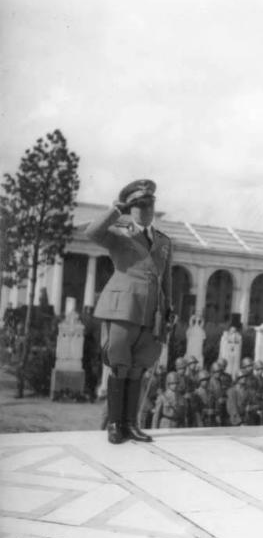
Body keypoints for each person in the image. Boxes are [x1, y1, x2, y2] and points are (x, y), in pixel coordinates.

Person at [86, 179, 172, 444]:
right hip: (122, 308)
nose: (144, 209)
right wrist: (115, 210)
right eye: (138, 205)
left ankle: (131, 424)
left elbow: (166, 279)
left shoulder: (164, 241)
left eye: (149, 204)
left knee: (138, 369)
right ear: (130, 207)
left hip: (151, 313)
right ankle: (114, 424)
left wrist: (168, 310)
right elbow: (92, 233)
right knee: (119, 366)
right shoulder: (120, 232)